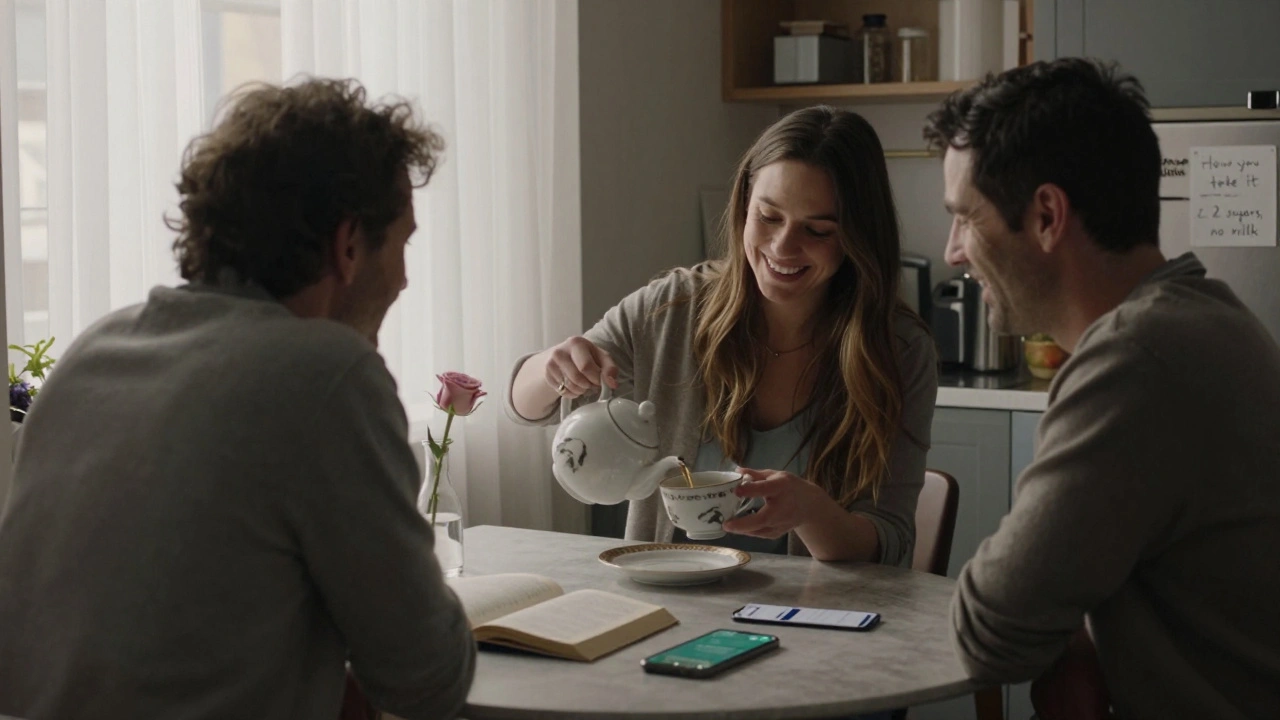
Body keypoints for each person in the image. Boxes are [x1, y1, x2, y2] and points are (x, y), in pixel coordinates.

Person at [0, 78, 476, 720]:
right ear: (348, 246)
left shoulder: (93, 353)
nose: (405, 279)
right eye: (402, 243)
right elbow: (426, 681)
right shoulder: (326, 375)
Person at [925, 58, 1280, 719]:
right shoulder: (1207, 319)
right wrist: (1083, 642)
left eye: (965, 218)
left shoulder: (1135, 362)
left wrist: (1070, 642)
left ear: (1047, 215)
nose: (953, 251)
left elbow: (989, 633)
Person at [508, 105, 938, 565]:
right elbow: (524, 407)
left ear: (858, 237)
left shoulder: (899, 351)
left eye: (817, 230)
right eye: (768, 217)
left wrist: (812, 512)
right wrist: (552, 366)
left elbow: (890, 543)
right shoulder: (672, 310)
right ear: (744, 207)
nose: (783, 246)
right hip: (664, 599)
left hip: (811, 607)